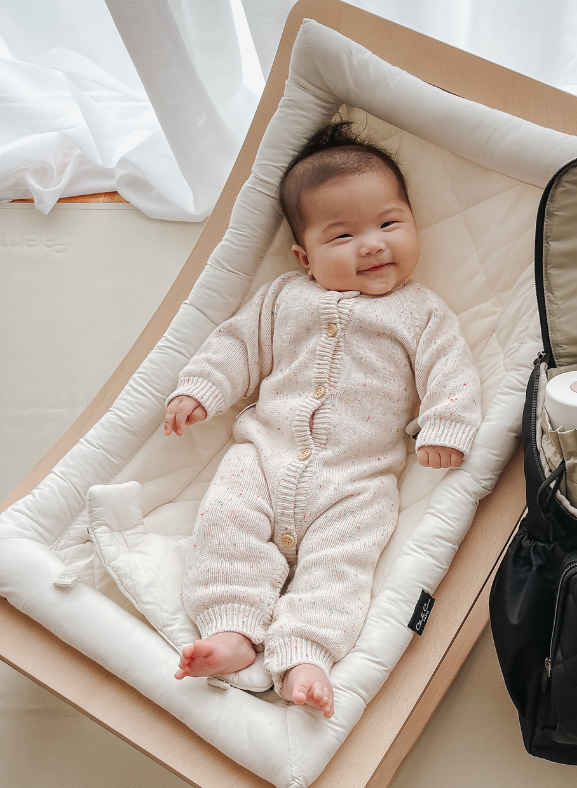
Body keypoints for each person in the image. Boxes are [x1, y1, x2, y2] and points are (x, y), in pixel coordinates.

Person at [163, 122, 482, 718]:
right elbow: (236, 346)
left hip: (358, 480)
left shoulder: (421, 313)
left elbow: (453, 374)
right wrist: (202, 388)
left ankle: (306, 653)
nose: (371, 244)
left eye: (389, 224)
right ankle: (232, 628)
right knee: (226, 524)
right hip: (263, 455)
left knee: (343, 565)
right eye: (344, 235)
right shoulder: (283, 298)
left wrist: (445, 426)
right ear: (305, 256)